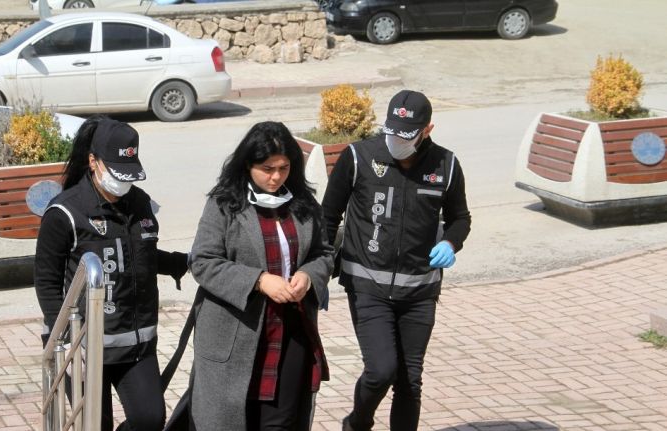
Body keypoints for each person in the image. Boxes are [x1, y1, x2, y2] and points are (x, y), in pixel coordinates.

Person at [322, 90, 472, 431]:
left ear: (427, 130)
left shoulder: (445, 165)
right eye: (392, 131)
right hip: (367, 285)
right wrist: (320, 265)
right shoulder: (359, 157)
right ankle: (358, 422)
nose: (396, 141)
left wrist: (451, 242)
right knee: (381, 370)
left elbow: (461, 217)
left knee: (409, 380)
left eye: (406, 135)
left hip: (420, 291)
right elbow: (327, 217)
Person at [34, 116, 189, 431]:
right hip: (83, 347)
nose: (123, 183)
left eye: (129, 174)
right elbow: (47, 280)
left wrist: (180, 262)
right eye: (117, 173)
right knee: (94, 425)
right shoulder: (64, 212)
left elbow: (139, 255)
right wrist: (62, 335)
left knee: (149, 420)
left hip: (135, 343)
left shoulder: (141, 204)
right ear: (93, 162)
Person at [188, 121, 334, 430]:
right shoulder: (224, 204)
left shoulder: (303, 203)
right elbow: (202, 261)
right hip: (237, 332)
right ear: (248, 165)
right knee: (235, 418)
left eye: (283, 168)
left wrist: (308, 276)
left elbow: (323, 253)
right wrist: (258, 280)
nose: (276, 176)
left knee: (281, 421)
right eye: (267, 168)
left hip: (291, 329)